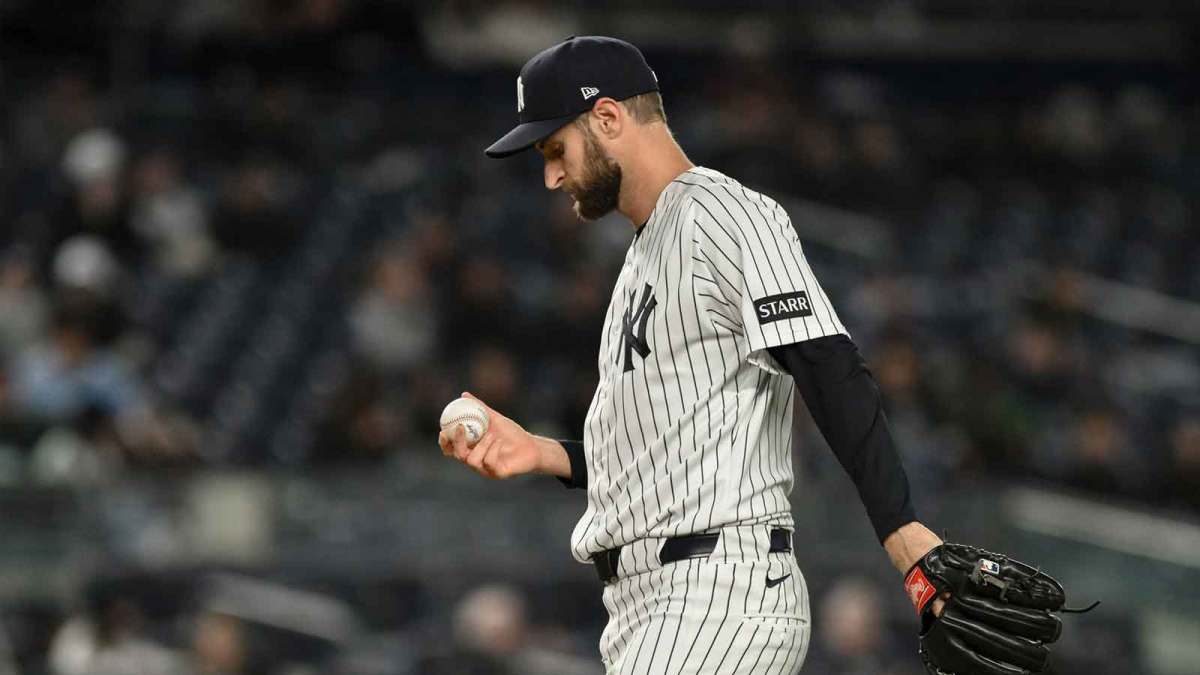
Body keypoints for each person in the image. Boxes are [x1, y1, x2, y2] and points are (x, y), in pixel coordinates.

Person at [439, 36, 975, 674]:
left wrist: (904, 535)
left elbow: (827, 365)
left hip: (716, 593)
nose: (551, 175)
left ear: (608, 118)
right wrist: (544, 453)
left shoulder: (720, 213)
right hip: (654, 605)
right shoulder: (642, 258)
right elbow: (670, 454)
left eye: (556, 148)